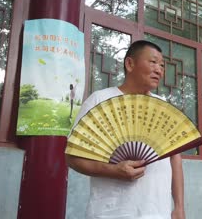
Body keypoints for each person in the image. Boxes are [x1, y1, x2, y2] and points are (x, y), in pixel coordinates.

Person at [66, 40, 185, 219]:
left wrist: (179, 207)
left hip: (158, 212)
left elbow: (175, 159)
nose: (159, 70)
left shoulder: (163, 107)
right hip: (110, 212)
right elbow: (72, 158)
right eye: (153, 62)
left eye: (161, 65)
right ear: (130, 64)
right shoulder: (100, 100)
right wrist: (113, 170)